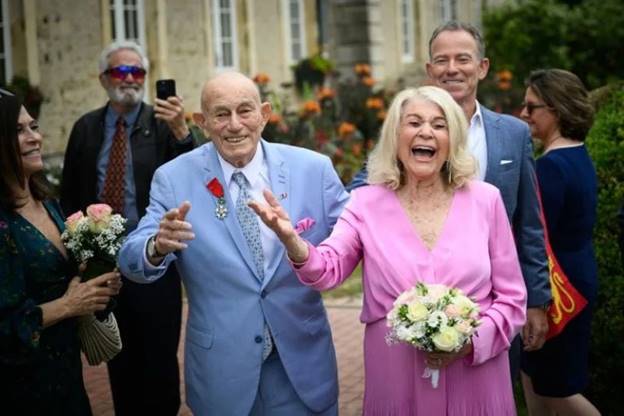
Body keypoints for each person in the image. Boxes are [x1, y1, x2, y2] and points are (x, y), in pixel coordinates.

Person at [250, 85, 527, 414]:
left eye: (439, 125)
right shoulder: (365, 203)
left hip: (475, 378)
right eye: (413, 123)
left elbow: (512, 299)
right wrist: (292, 241)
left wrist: (471, 341)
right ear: (395, 137)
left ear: (453, 140)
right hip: (396, 376)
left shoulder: (486, 200)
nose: (426, 132)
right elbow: (326, 269)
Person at [117, 71, 349, 415]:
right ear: (202, 122)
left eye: (245, 111)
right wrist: (157, 245)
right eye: (221, 114)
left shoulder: (313, 169)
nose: (235, 125)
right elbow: (131, 260)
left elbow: (358, 236)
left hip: (302, 369)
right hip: (223, 375)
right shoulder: (173, 178)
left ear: (265, 114)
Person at [348, 21, 551, 377]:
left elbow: (528, 224)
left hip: (488, 309)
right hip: (414, 315)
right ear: (429, 70)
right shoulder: (407, 132)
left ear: (483, 67)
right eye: (442, 60)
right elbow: (361, 195)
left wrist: (536, 300)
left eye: (463, 59)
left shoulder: (513, 134)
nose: (452, 69)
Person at [59, 41, 194, 415]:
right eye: (121, 71)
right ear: (103, 78)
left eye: (138, 72)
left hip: (154, 259)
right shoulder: (85, 128)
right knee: (120, 359)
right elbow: (68, 195)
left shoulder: (162, 124)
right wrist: (79, 252)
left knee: (161, 358)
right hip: (105, 266)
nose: (131, 79)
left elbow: (190, 176)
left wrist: (182, 131)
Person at [0, 88, 121, 415]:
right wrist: (68, 305)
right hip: (19, 389)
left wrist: (96, 285)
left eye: (34, 127)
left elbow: (64, 279)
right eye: (18, 130)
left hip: (66, 377)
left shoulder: (50, 205)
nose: (34, 138)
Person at [519, 69, 600, 416]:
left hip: (557, 289)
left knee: (557, 390)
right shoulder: (578, 156)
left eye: (531, 107)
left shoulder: (551, 167)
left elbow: (536, 237)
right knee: (535, 376)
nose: (524, 115)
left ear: (556, 110)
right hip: (576, 277)